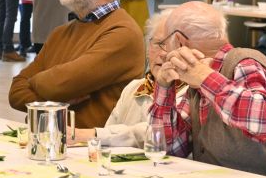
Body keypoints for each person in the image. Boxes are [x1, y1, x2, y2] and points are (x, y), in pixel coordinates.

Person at [150, 1, 266, 178]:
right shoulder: (195, 84)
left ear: (179, 41)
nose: (163, 54)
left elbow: (263, 121)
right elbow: (168, 149)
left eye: (164, 44)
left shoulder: (245, 63)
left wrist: (205, 77)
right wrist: (164, 87)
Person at [9, 0, 144, 128]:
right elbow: (15, 92)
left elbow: (59, 85)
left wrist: (35, 82)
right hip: (48, 144)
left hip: (94, 150)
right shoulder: (61, 32)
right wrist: (55, 98)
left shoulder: (122, 32)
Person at [70, 11, 187, 147]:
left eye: (173, 45)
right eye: (158, 43)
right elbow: (107, 141)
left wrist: (92, 135)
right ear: (148, 48)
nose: (163, 53)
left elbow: (155, 133)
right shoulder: (133, 88)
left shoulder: (191, 92)